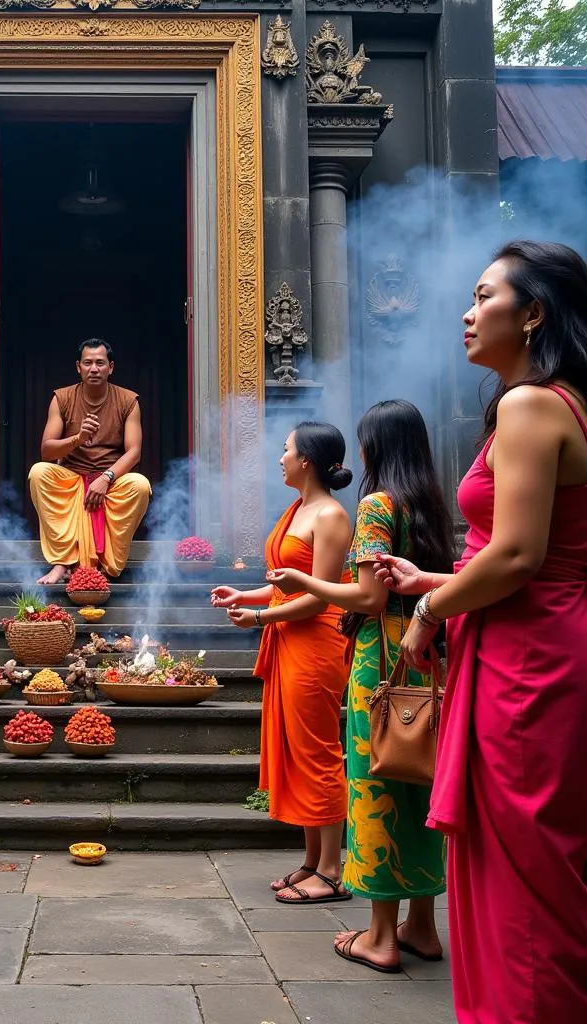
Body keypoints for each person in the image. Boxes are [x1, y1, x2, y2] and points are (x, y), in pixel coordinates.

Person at [379, 241, 587, 1021]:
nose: (466, 313)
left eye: (485, 296)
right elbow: (532, 552)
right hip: (522, 639)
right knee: (517, 863)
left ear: (533, 314)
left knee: (526, 874)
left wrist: (430, 611)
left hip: (528, 659)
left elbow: (520, 555)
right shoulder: (547, 402)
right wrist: (434, 581)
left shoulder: (534, 404)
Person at [266, 401, 453, 973]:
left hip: (380, 656)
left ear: (374, 448)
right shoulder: (429, 505)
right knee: (419, 783)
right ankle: (421, 926)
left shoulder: (375, 505)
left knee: (374, 785)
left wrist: (304, 580)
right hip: (425, 657)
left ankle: (380, 936)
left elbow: (369, 597)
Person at [211, 422, 353, 904]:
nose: (281, 457)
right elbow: (288, 582)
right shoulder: (299, 508)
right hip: (288, 635)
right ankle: (312, 860)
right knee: (296, 749)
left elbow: (318, 597)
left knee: (317, 750)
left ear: (307, 460)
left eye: (287, 450)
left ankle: (333, 870)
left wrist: (258, 616)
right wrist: (246, 594)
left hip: (315, 641)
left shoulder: (330, 515)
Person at [29, 338, 151, 583]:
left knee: (139, 485)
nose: (94, 368)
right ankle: (62, 563)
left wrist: (106, 478)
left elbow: (133, 452)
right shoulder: (62, 398)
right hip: (71, 477)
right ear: (78, 367)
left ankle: (103, 564)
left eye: (100, 363)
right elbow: (47, 451)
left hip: (111, 481)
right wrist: (78, 437)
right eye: (88, 363)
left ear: (111, 367)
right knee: (39, 472)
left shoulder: (128, 401)